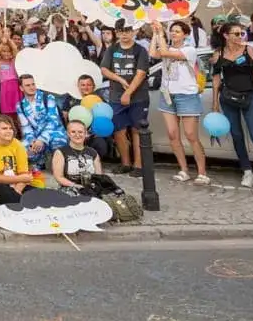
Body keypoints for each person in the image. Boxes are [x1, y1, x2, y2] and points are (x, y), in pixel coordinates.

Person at [212, 22, 253, 190]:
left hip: (250, 98)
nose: (240, 37)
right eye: (236, 34)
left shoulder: (248, 50)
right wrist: (214, 103)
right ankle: (247, 172)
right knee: (237, 136)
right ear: (226, 36)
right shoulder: (218, 53)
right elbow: (216, 79)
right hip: (228, 99)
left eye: (241, 33)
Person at [151, 21, 210, 185]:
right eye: (172, 31)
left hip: (187, 95)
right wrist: (156, 34)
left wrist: (161, 34)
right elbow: (154, 53)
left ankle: (202, 172)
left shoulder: (189, 50)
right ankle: (183, 169)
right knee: (172, 134)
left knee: (191, 135)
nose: (174, 34)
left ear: (185, 34)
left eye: (177, 31)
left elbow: (163, 51)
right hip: (168, 94)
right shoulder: (167, 48)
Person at [99, 21, 151, 176]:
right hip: (116, 96)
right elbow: (104, 69)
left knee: (137, 130)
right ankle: (125, 163)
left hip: (138, 97)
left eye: (127, 31)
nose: (124, 35)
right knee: (119, 131)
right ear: (117, 32)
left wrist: (128, 92)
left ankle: (138, 165)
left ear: (133, 31)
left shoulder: (140, 50)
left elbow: (141, 73)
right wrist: (120, 80)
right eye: (121, 31)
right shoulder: (112, 49)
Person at [0, 115, 43, 206]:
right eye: (4, 128)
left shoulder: (17, 145)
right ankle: (23, 204)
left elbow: (23, 173)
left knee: (39, 193)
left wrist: (17, 190)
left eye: (10, 128)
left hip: (13, 183)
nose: (9, 131)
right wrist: (20, 179)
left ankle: (8, 203)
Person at [16, 74, 68, 172]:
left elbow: (53, 121)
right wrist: (32, 142)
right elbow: (26, 127)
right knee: (22, 149)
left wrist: (42, 139)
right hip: (36, 136)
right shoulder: (20, 105)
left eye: (33, 84)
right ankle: (41, 161)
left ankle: (59, 166)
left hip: (55, 132)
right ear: (21, 88)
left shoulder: (48, 98)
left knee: (57, 142)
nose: (32, 87)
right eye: (28, 85)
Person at [51, 120, 103, 194]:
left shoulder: (93, 152)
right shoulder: (60, 152)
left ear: (86, 134)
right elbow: (59, 177)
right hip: (69, 189)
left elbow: (99, 176)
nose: (77, 135)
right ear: (68, 134)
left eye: (80, 132)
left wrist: (94, 187)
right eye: (73, 132)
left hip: (91, 189)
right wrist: (76, 186)